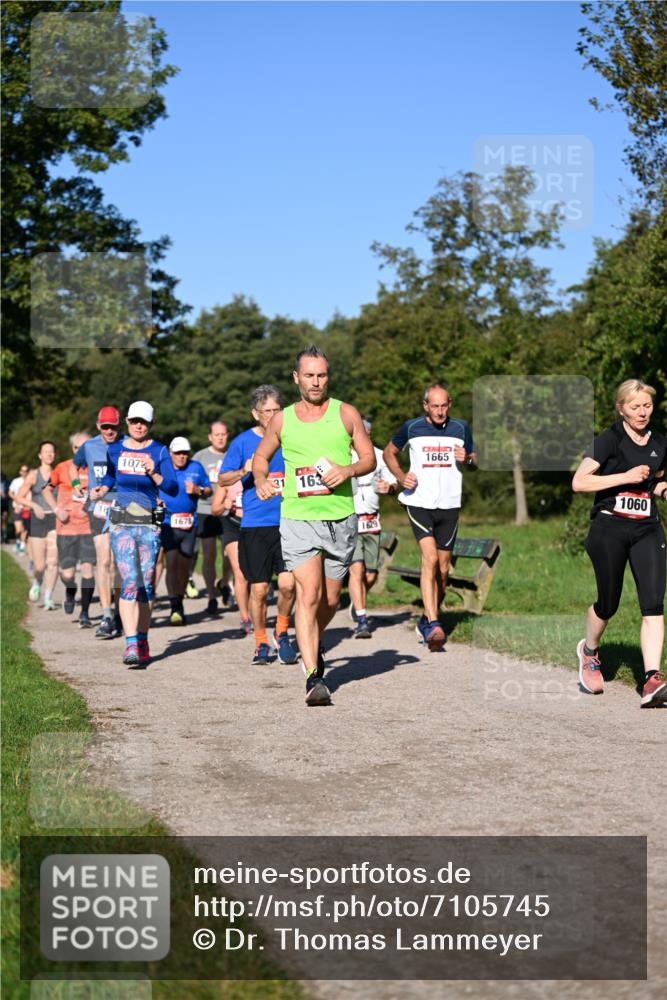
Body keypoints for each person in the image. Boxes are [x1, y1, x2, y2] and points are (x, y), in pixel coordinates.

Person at [253, 346, 375, 705]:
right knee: (309, 594)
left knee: (331, 599)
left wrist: (348, 470)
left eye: (321, 375)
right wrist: (261, 479)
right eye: (309, 375)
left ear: (328, 376)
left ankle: (311, 641)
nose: (316, 381)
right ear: (296, 378)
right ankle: (313, 677)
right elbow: (261, 458)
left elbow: (368, 458)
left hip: (339, 517)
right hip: (297, 517)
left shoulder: (345, 413)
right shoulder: (282, 420)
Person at [572, 378, 667, 707]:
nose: (643, 412)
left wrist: (663, 489)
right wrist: (625, 476)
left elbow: (653, 483)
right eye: (635, 406)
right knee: (608, 603)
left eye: (647, 406)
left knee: (654, 604)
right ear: (621, 409)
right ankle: (590, 651)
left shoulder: (660, 442)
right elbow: (579, 481)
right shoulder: (609, 439)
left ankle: (652, 678)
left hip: (647, 529)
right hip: (609, 527)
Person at [384, 384, 476, 652]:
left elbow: (475, 459)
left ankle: (426, 617)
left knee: (443, 569)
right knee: (430, 558)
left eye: (444, 405)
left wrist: (468, 458)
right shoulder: (411, 428)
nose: (439, 411)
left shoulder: (460, 429)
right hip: (418, 501)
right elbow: (389, 452)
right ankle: (435, 622)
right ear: (425, 406)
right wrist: (401, 477)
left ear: (450, 404)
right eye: (434, 406)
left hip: (449, 505)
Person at [89, 401, 178, 667]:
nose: (139, 426)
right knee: (128, 580)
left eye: (144, 422)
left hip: (148, 524)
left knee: (146, 584)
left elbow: (172, 487)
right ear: (127, 422)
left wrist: (154, 473)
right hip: (122, 522)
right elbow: (109, 478)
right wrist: (102, 490)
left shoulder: (160, 451)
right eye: (134, 421)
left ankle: (142, 637)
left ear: (151, 424)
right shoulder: (114, 449)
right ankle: (130, 643)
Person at [220, 385, 298, 666]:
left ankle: (282, 631)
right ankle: (260, 641)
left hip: (289, 522)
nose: (274, 415)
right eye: (268, 411)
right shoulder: (242, 443)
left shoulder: (291, 439)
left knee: (288, 585)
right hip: (255, 524)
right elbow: (223, 479)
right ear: (256, 414)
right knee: (260, 590)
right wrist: (246, 470)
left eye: (278, 410)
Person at [72, 406, 123, 639]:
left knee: (117, 564)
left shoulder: (126, 444)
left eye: (113, 426)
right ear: (98, 426)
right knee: (103, 560)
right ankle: (106, 615)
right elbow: (75, 465)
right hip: (98, 508)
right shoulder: (89, 446)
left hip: (122, 508)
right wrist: (77, 486)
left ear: (119, 425)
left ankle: (121, 610)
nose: (109, 431)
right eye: (105, 427)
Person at [349, 418, 397, 638]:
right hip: (350, 520)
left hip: (372, 520)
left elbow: (392, 481)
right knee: (356, 570)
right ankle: (362, 619)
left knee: (371, 574)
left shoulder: (378, 455)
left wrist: (390, 486)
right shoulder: (343, 455)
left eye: (367, 433)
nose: (362, 436)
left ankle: (357, 600)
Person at [45, 432, 96, 627]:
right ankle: (70, 589)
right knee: (67, 573)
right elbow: (47, 489)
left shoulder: (95, 468)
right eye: (77, 448)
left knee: (87, 569)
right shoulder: (62, 467)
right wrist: (57, 509)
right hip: (66, 528)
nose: (81, 452)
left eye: (85, 448)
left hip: (88, 527)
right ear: (72, 449)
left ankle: (85, 612)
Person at [159, 437, 211, 626]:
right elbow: (152, 487)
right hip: (167, 521)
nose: (182, 457)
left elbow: (209, 490)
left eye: (185, 453)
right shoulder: (163, 468)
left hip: (189, 521)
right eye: (178, 453)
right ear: (171, 453)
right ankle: (174, 605)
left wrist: (198, 490)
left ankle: (179, 600)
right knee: (171, 563)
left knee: (183, 566)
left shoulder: (196, 467)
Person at [193, 422, 231, 614]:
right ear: (210, 437)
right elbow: (190, 480)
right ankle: (211, 597)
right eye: (217, 434)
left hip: (227, 510)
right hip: (206, 510)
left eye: (223, 434)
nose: (220, 438)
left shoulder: (233, 455)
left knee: (229, 556)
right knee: (209, 554)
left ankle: (224, 583)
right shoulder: (199, 457)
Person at [18, 441, 59, 608]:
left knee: (53, 562)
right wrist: (34, 505)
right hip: (37, 520)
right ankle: (37, 582)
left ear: (54, 455)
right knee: (40, 565)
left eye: (51, 452)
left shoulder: (58, 474)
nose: (49, 454)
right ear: (40, 455)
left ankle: (48, 596)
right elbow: (19, 496)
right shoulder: (33, 475)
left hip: (53, 520)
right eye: (45, 452)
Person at [211, 477, 252, 635]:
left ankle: (256, 612)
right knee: (240, 573)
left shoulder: (261, 473)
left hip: (255, 524)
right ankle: (245, 618)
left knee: (255, 575)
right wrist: (224, 505)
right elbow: (215, 509)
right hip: (232, 525)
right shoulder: (228, 478)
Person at [9, 464, 30, 553]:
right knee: (18, 529)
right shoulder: (16, 481)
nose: (24, 473)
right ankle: (18, 541)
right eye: (23, 471)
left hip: (26, 508)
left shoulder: (31, 481)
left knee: (25, 529)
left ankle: (22, 546)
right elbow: (10, 493)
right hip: (17, 507)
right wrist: (16, 500)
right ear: (20, 472)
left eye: (26, 471)